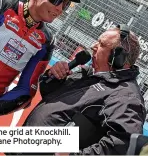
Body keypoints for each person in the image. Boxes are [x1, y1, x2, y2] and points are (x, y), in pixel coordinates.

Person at [19, 24, 146, 155]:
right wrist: (54, 76)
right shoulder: (90, 73)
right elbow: (50, 96)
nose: (93, 46)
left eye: (102, 44)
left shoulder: (127, 97)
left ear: (118, 58)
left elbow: (122, 146)